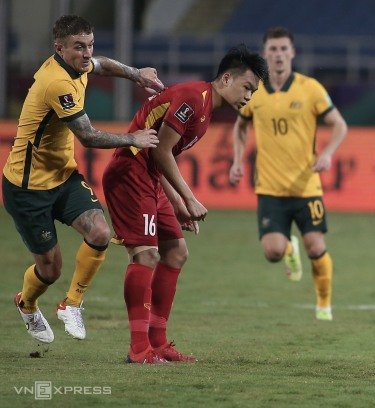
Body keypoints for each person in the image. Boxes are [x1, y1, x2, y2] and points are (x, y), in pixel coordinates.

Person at [102, 45, 267, 364]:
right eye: (247, 87)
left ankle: (158, 342)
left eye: (254, 92)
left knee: (176, 252)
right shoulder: (194, 98)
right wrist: (189, 198)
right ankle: (139, 349)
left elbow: (159, 156)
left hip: (148, 174)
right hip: (130, 170)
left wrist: (176, 203)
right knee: (146, 254)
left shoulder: (205, 108)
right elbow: (160, 151)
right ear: (227, 78)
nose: (249, 96)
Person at [4, 15, 163, 344]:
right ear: (59, 48)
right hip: (26, 187)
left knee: (100, 232)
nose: (87, 52)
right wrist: (131, 138)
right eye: (79, 47)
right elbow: (88, 136)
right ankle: (28, 303)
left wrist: (136, 75)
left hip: (62, 176)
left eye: (89, 44)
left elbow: (102, 65)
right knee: (50, 270)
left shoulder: (79, 64)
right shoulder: (56, 83)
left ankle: (71, 304)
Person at [230, 27, 348, 322]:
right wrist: (236, 160)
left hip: (306, 185)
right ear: (265, 53)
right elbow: (241, 126)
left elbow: (340, 125)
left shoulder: (310, 89)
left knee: (316, 246)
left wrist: (327, 153)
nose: (279, 55)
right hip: (269, 188)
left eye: (284, 49)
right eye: (273, 49)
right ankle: (287, 249)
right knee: (272, 252)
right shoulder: (253, 90)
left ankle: (324, 304)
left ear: (292, 53)